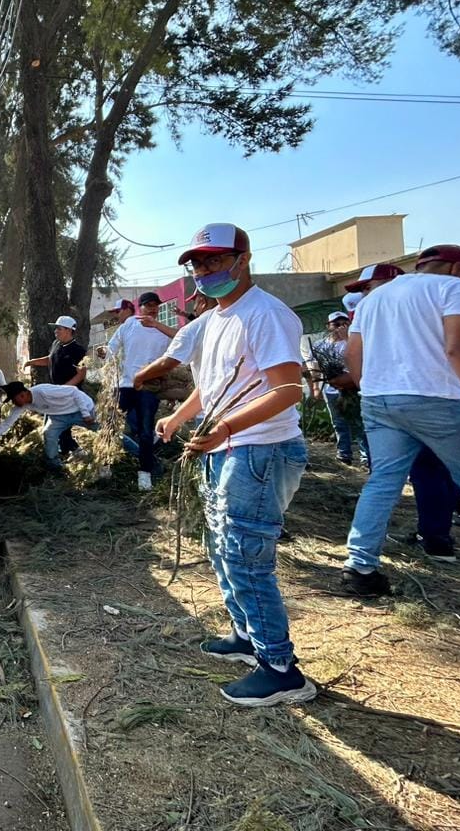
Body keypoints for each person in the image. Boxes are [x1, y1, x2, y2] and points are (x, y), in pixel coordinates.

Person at [157, 224, 316, 707]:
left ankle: (281, 668)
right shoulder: (220, 316)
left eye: (214, 261)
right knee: (224, 546)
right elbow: (213, 387)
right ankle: (246, 636)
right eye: (198, 264)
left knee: (246, 554)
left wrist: (225, 430)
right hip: (226, 449)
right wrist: (179, 417)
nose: (204, 272)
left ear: (243, 260)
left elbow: (288, 390)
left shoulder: (266, 314)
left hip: (259, 450)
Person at [340, 245, 460, 603]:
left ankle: (360, 567)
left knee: (382, 483)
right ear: (457, 268)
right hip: (436, 398)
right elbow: (458, 349)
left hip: (379, 401)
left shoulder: (373, 299)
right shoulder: (453, 288)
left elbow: (353, 357)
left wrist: (370, 389)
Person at [103, 292, 175, 490]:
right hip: (124, 386)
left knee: (145, 433)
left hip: (148, 388)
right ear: (140, 307)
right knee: (111, 426)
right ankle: (105, 465)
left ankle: (144, 474)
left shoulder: (164, 331)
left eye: (156, 305)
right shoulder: (129, 324)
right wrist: (106, 360)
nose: (153, 308)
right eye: (149, 305)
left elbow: (181, 342)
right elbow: (112, 347)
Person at [307, 310, 368, 467]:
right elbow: (315, 367)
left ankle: (366, 457)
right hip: (332, 390)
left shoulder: (353, 341)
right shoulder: (320, 345)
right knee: (338, 422)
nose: (340, 327)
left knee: (358, 422)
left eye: (344, 324)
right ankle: (344, 454)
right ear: (328, 326)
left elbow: (359, 358)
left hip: (352, 389)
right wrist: (316, 388)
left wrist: (347, 338)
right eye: (336, 324)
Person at [0, 381, 96, 471]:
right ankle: (55, 466)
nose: (13, 403)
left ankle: (109, 452)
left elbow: (74, 391)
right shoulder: (22, 405)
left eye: (14, 399)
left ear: (22, 394)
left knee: (100, 428)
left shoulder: (42, 391)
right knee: (49, 433)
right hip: (58, 416)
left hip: (81, 409)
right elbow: (8, 422)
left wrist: (85, 414)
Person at [24, 314, 88, 457]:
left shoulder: (78, 351)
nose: (56, 331)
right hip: (56, 392)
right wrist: (32, 362)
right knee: (55, 424)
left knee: (60, 425)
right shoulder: (56, 344)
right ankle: (65, 450)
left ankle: (72, 450)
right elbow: (50, 359)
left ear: (69, 330)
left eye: (59, 328)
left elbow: (81, 373)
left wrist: (65, 388)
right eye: (56, 329)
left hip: (69, 394)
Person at [133, 290, 217, 388]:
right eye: (148, 305)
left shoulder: (195, 327)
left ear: (202, 302)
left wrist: (138, 377)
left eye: (195, 301)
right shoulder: (229, 320)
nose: (194, 307)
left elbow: (167, 363)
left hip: (211, 392)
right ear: (140, 308)